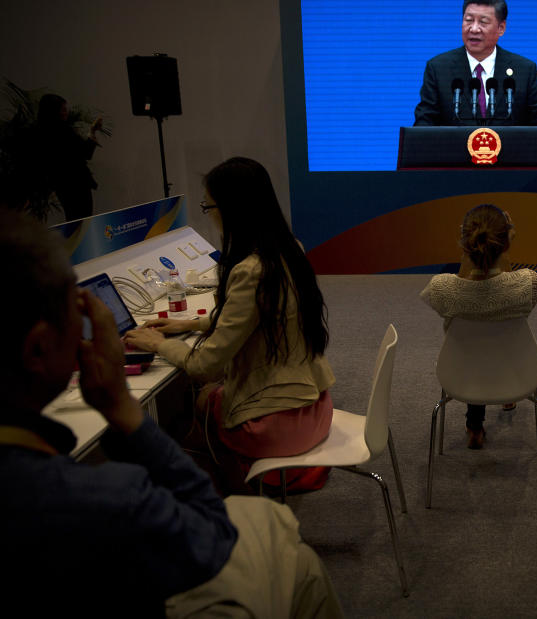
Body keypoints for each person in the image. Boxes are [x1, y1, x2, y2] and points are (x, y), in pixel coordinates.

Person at [0, 209, 342, 617]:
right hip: (196, 546)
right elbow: (212, 532)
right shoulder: (102, 498)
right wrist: (122, 406)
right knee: (284, 542)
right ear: (38, 349)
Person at [124, 157, 335, 493]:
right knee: (207, 402)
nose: (210, 214)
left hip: (277, 426)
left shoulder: (250, 270)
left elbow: (205, 365)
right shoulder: (289, 250)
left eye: (210, 205)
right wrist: (187, 325)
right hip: (315, 407)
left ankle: (229, 492)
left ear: (232, 208)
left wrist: (156, 344)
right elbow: (263, 316)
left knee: (203, 399)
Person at [420, 204, 537, 449]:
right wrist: (505, 251)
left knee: (476, 352)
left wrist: (467, 257)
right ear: (506, 243)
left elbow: (461, 284)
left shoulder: (441, 289)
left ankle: (474, 426)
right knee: (494, 345)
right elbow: (507, 282)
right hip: (516, 374)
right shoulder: (529, 284)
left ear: (465, 244)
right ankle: (507, 399)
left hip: (462, 375)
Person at [413, 0, 537, 126]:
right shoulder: (438, 68)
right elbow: (424, 123)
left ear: (501, 28)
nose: (474, 29)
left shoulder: (524, 70)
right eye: (468, 20)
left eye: (483, 22)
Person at [36, 93, 102, 221]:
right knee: (81, 221)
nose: (66, 112)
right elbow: (84, 152)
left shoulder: (42, 133)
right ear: (54, 111)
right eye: (63, 109)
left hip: (62, 185)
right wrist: (92, 132)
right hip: (76, 185)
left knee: (74, 220)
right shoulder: (63, 131)